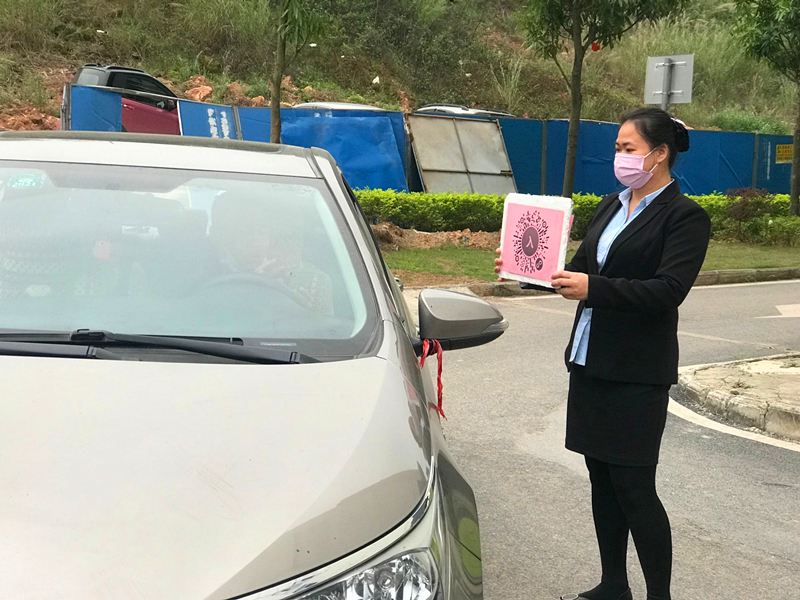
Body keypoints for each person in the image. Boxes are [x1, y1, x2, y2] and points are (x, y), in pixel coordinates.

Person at [495, 108, 711, 600]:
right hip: (591, 362)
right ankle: (614, 583)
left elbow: (668, 291)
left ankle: (659, 595)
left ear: (659, 155)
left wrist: (595, 288)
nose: (620, 157)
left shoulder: (684, 216)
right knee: (601, 480)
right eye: (617, 148)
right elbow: (574, 271)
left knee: (635, 487)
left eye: (629, 149)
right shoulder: (610, 206)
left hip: (637, 373)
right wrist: (524, 268)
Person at [208, 193, 334, 315]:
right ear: (229, 239)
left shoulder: (295, 280)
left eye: (262, 232)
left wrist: (302, 311)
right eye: (244, 232)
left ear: (271, 238)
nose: (255, 242)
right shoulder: (214, 274)